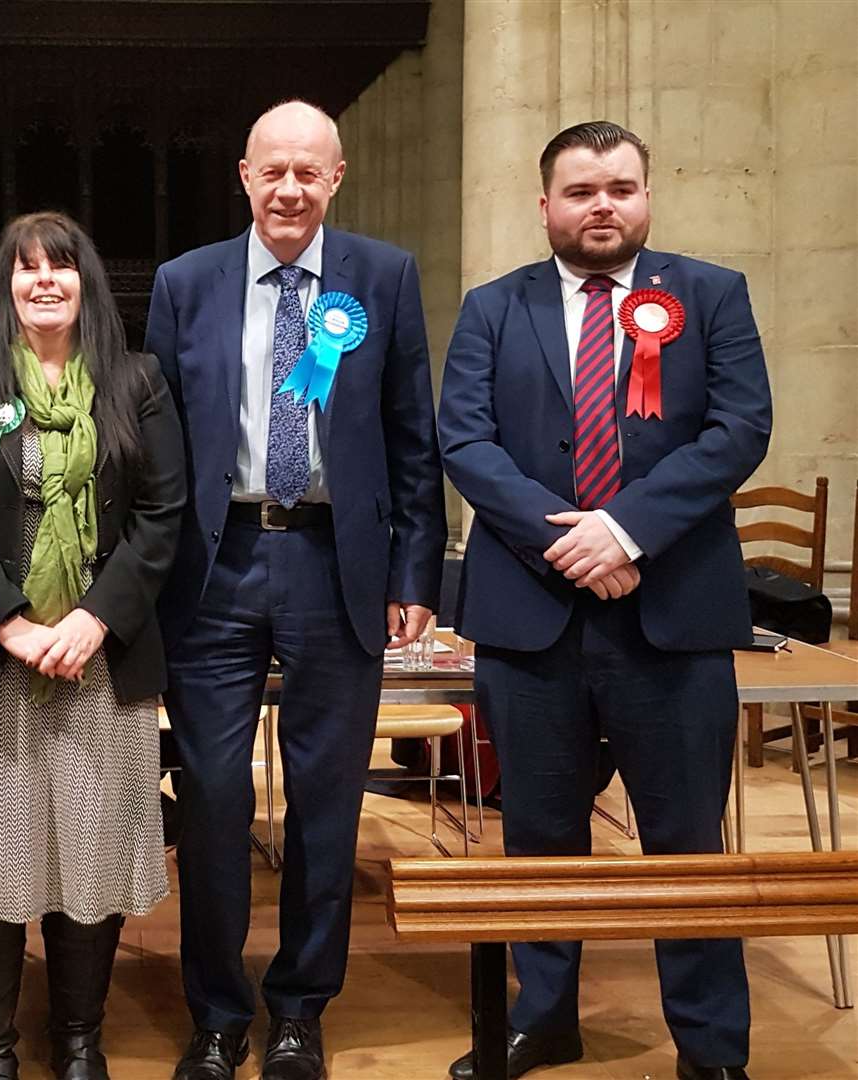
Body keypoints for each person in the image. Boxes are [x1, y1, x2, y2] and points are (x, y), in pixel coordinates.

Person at [437, 121, 771, 1080]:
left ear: (648, 196)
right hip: (532, 622)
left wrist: (624, 531)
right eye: (581, 191)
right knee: (539, 834)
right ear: (545, 205)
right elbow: (466, 442)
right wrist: (572, 543)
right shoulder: (493, 308)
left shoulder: (709, 296)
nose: (602, 206)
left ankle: (709, 1045)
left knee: (685, 840)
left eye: (620, 187)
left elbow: (740, 427)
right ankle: (544, 1017)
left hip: (672, 617)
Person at [144, 100, 446, 1080]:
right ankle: (216, 1014)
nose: (287, 188)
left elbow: (413, 436)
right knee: (214, 797)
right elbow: (151, 443)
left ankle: (297, 1011)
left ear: (335, 179)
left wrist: (413, 571)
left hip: (333, 566)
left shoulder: (382, 280)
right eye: (271, 170)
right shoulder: (184, 284)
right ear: (242, 175)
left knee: (325, 802)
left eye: (306, 173)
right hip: (214, 564)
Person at [0, 211, 186, 1080]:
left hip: (99, 661)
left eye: (60, 267)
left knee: (91, 850)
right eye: (26, 269)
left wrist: (94, 619)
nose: (44, 281)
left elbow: (161, 516)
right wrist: (15, 623)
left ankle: (79, 1040)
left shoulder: (135, 381)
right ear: (8, 286)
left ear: (85, 281)